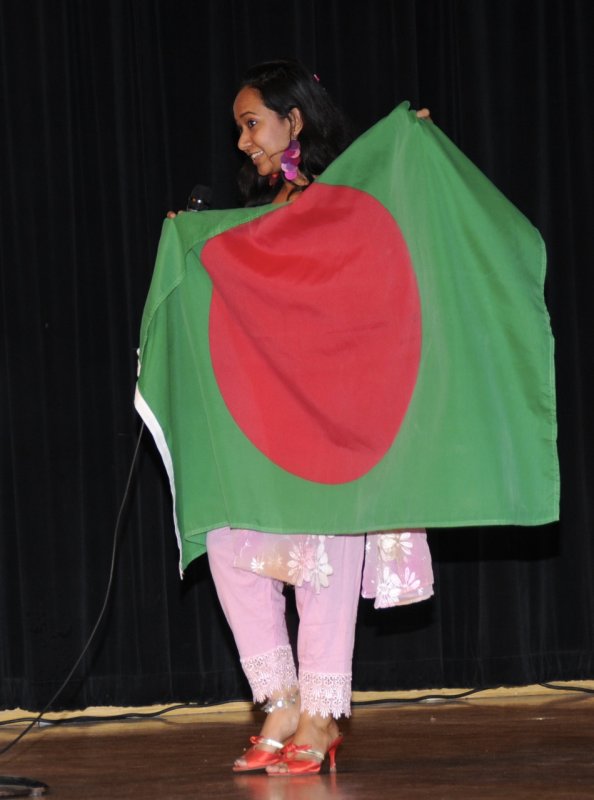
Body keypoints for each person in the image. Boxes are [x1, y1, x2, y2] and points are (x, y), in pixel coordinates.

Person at [168, 58, 434, 776]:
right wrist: (197, 255)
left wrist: (408, 157)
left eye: (252, 123)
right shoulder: (261, 220)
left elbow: (394, 268)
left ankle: (320, 718)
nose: (242, 142)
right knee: (228, 538)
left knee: (323, 558)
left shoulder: (351, 198)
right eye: (239, 128)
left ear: (295, 121)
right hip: (270, 419)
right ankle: (278, 699)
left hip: (338, 420)